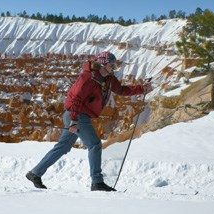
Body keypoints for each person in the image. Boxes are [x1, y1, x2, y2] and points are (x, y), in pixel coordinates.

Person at [26, 52, 153, 191]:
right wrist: (74, 121)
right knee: (95, 144)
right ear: (103, 64)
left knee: (63, 146)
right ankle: (97, 182)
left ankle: (35, 173)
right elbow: (75, 99)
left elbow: (121, 90)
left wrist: (142, 89)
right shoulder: (87, 77)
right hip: (77, 114)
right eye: (111, 65)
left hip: (80, 115)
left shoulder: (109, 79)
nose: (114, 67)